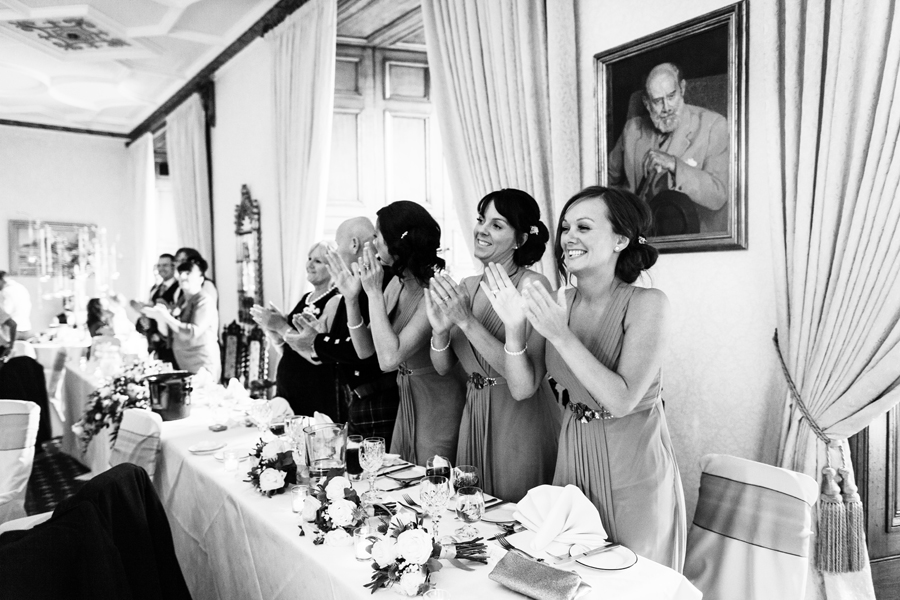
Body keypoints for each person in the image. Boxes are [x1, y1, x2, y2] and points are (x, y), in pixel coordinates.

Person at [488, 186, 686, 571]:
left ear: (620, 240)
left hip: (632, 470)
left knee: (629, 583)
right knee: (568, 578)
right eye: (565, 228)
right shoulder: (559, 302)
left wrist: (560, 335)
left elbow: (622, 399)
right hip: (572, 464)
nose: (568, 238)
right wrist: (515, 331)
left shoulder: (649, 303)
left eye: (583, 227)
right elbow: (523, 387)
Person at [426, 189, 561, 502]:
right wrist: (440, 332)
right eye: (481, 220)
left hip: (519, 419)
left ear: (520, 240)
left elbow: (522, 384)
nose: (482, 229)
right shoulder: (467, 286)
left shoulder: (532, 285)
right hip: (473, 413)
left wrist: (467, 322)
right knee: (470, 512)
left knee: (512, 519)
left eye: (497, 225)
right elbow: (443, 367)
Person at [334, 201, 466, 465]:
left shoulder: (434, 290)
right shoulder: (396, 283)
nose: (373, 245)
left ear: (397, 243)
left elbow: (389, 359)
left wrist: (372, 292)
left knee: (431, 482)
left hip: (437, 403)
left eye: (377, 238)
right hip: (405, 399)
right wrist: (351, 299)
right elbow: (365, 350)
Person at [287, 218, 400, 446]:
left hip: (379, 398)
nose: (336, 252)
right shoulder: (352, 283)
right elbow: (343, 339)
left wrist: (317, 341)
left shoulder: (382, 280)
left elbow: (361, 349)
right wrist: (317, 334)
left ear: (354, 244)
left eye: (337, 245)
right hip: (358, 399)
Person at [607, 62, 729, 234]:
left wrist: (674, 165)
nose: (666, 108)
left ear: (682, 88)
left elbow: (718, 194)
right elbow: (604, 181)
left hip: (686, 236)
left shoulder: (714, 126)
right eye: (657, 101)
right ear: (646, 103)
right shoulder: (632, 129)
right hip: (636, 237)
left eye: (671, 96)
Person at [250, 241, 340, 418]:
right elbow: (288, 348)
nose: (309, 265)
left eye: (318, 261)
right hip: (288, 387)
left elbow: (318, 354)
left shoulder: (335, 301)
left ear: (333, 267)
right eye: (309, 259)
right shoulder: (306, 298)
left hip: (315, 388)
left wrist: (281, 326)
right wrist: (272, 330)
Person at [143, 256, 221, 381]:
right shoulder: (182, 299)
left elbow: (192, 332)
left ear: (201, 279)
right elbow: (173, 333)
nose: (183, 277)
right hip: (183, 362)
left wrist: (167, 317)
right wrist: (159, 319)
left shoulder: (204, 300)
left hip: (200, 362)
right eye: (180, 273)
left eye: (188, 273)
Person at [134, 254, 179, 364]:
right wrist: (144, 321)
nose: (161, 269)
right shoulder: (155, 289)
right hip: (155, 345)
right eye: (159, 265)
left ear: (174, 267)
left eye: (165, 265)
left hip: (172, 345)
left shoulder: (179, 288)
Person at [0, 271, 32, 339]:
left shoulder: (6, 291)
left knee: (10, 349)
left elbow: (5, 312)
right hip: (26, 328)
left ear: (1, 280)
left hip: (12, 331)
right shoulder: (21, 287)